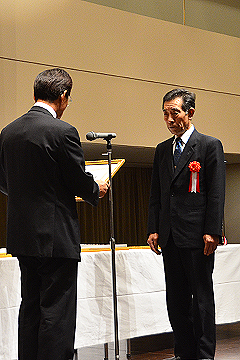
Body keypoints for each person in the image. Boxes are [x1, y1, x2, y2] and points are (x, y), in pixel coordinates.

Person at [0, 68, 108, 360]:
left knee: (30, 307)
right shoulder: (63, 131)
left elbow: (3, 181)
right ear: (63, 97)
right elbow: (76, 180)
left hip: (22, 237)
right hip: (56, 238)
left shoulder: (8, 132)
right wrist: (95, 188)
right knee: (56, 313)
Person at [147, 89, 225, 360]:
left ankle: (204, 354)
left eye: (174, 113)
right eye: (165, 113)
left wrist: (213, 231)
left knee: (201, 299)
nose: (169, 119)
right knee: (176, 301)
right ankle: (185, 352)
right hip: (169, 237)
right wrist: (153, 227)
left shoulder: (209, 145)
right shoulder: (161, 150)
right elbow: (157, 193)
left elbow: (216, 193)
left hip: (197, 236)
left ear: (190, 113)